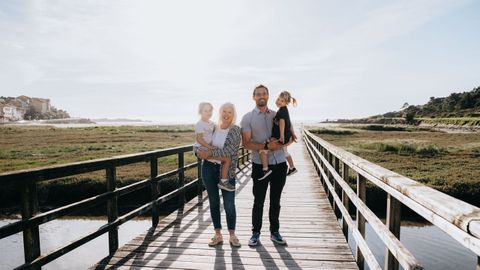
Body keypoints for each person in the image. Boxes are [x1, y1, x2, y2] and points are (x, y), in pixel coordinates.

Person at [240, 84, 289, 246]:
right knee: (258, 200)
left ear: (268, 96)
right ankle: (255, 233)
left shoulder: (278, 114)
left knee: (276, 200)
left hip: (280, 163)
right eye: (258, 94)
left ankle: (275, 232)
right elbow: (246, 143)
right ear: (253, 97)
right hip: (260, 165)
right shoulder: (247, 118)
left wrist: (280, 144)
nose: (261, 96)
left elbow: (288, 137)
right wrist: (267, 147)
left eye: (264, 93)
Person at [197, 102, 242, 247]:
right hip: (209, 169)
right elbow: (200, 144)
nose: (226, 114)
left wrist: (209, 153)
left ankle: (232, 235)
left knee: (229, 204)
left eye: (230, 112)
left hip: (227, 171)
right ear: (220, 112)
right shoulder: (213, 127)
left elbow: (230, 151)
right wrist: (198, 152)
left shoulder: (235, 129)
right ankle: (217, 234)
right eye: (224, 111)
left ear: (233, 114)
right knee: (214, 202)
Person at [193, 102, 235, 191]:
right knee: (227, 159)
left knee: (226, 159)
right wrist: (210, 147)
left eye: (210, 111)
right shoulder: (200, 124)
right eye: (205, 111)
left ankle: (222, 180)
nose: (208, 113)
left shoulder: (212, 123)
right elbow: (199, 139)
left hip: (207, 148)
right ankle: (223, 182)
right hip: (200, 147)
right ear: (200, 112)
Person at [258, 91, 298, 180]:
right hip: (285, 136)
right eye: (278, 99)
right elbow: (289, 122)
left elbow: (282, 123)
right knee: (285, 152)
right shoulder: (284, 110)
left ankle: (265, 169)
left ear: (286, 103)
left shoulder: (281, 112)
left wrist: (282, 136)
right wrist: (293, 133)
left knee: (262, 150)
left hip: (281, 138)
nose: (279, 102)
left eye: (282, 101)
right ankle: (292, 168)